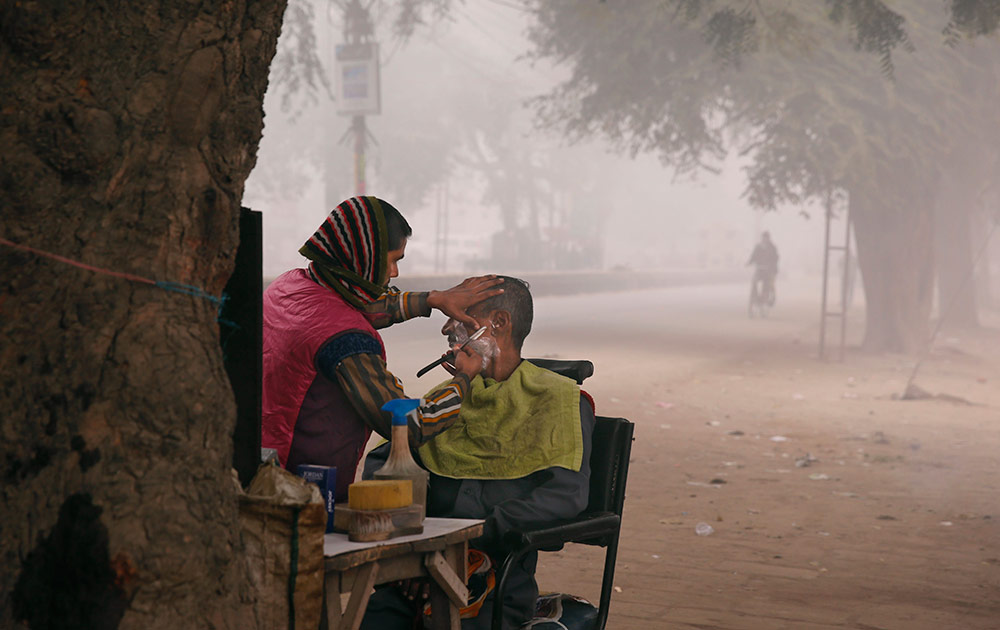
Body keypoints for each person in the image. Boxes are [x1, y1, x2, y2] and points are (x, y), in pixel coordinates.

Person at [361, 277, 595, 630]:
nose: (446, 326)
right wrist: (407, 552)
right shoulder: (447, 398)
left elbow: (564, 496)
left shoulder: (558, 400)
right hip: (416, 573)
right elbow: (383, 466)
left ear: (498, 323)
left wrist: (467, 539)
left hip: (494, 581)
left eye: (460, 316)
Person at [261, 196, 503, 501]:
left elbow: (358, 303)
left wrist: (433, 299)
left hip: (261, 460)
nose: (395, 273)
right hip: (300, 491)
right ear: (364, 258)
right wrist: (463, 380)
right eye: (392, 260)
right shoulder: (347, 341)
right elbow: (411, 425)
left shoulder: (290, 286)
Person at [747, 231, 779, 307]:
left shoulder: (772, 247)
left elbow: (776, 258)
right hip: (760, 269)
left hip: (769, 270)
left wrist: (772, 265)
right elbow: (753, 256)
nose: (764, 239)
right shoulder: (758, 247)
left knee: (767, 284)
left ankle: (766, 298)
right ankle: (755, 297)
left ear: (768, 238)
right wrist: (749, 262)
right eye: (763, 237)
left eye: (766, 237)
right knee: (754, 281)